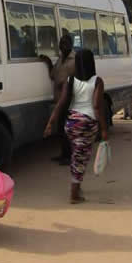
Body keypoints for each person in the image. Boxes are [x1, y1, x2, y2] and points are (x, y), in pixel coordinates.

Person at [44, 49, 108, 204]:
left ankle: (77, 187)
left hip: (71, 123)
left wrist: (50, 122)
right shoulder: (97, 81)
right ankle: (74, 193)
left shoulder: (70, 80)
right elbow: (97, 107)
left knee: (76, 155)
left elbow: (62, 102)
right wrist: (104, 128)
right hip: (87, 123)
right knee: (81, 157)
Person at [40, 34, 76, 165]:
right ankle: (64, 154)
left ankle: (70, 156)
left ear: (70, 45)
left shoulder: (75, 59)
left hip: (69, 99)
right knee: (61, 129)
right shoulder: (61, 59)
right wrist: (48, 62)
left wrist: (67, 84)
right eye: (61, 43)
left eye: (65, 43)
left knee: (67, 129)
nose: (63, 46)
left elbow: (79, 79)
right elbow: (53, 75)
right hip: (59, 99)